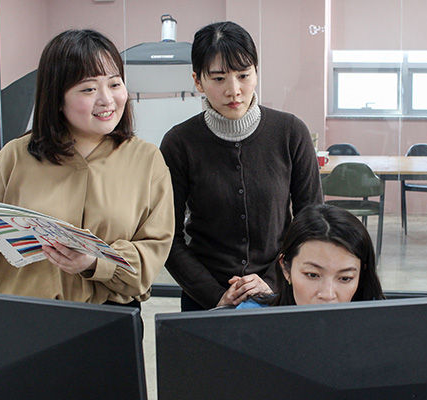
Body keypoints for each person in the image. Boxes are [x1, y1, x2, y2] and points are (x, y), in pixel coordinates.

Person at [0, 29, 174, 306]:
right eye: (89, 89)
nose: (106, 99)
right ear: (57, 98)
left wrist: (95, 262)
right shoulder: (15, 157)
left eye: (114, 84)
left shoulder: (146, 160)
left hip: (110, 318)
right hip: (27, 317)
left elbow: (152, 254)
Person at [160, 21, 323, 311]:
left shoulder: (290, 132)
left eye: (244, 75)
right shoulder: (179, 143)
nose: (234, 90)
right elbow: (167, 238)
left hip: (281, 293)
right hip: (205, 300)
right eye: (219, 79)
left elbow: (311, 223)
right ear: (198, 81)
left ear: (256, 73)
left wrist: (273, 281)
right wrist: (215, 296)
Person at [236, 204, 384, 308]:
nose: (328, 294)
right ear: (286, 269)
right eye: (312, 275)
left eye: (345, 278)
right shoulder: (250, 320)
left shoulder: (381, 325)